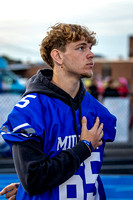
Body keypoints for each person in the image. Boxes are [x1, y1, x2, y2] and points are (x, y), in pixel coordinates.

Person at [0, 23, 116, 200]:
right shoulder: (30, 111)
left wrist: (35, 186)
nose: (91, 54)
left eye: (90, 48)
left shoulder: (97, 109)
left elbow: (83, 173)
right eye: (81, 48)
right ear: (58, 56)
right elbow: (34, 179)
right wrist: (84, 146)